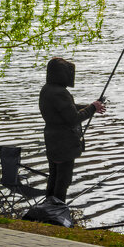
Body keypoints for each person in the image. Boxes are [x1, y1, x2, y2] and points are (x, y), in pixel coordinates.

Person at [39, 57, 105, 203]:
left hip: (52, 141)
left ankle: (48, 208)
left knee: (54, 177)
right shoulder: (61, 93)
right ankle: (57, 211)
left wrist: (91, 106)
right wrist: (93, 108)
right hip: (64, 144)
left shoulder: (47, 89)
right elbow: (73, 118)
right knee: (63, 181)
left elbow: (66, 109)